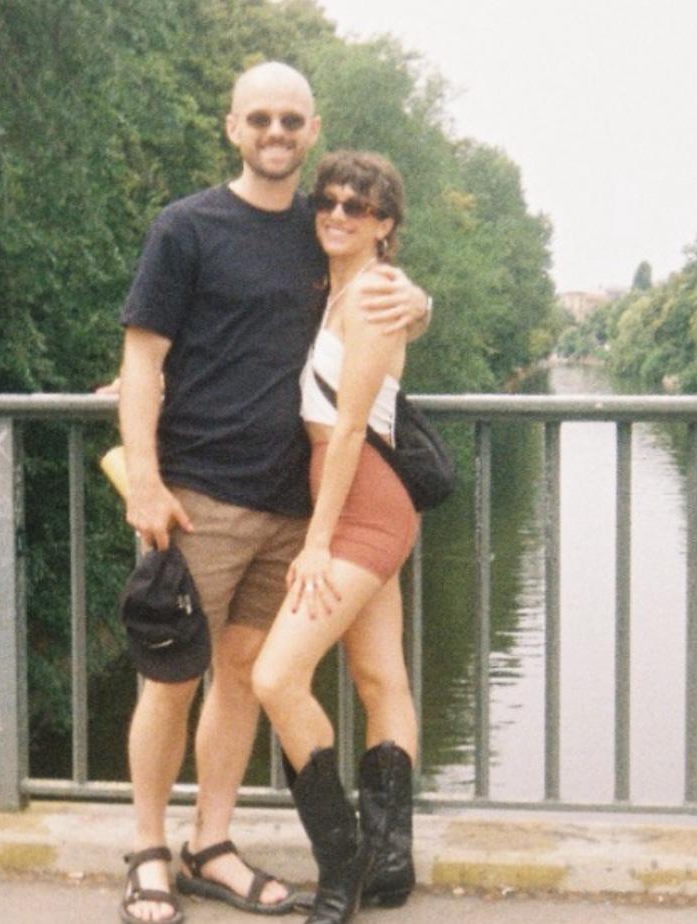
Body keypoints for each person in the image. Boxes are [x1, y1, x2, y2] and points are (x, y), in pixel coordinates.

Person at [116, 62, 430, 924]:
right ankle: (147, 853)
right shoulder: (186, 227)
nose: (276, 132)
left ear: (312, 129)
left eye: (292, 119)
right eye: (260, 118)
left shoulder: (320, 229)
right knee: (169, 681)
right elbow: (142, 357)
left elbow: (374, 291)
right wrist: (143, 478)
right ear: (233, 127)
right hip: (199, 497)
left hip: (295, 504)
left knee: (243, 679)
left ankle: (211, 846)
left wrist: (418, 300)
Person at [251, 151, 419, 924]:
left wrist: (317, 544)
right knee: (381, 679)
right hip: (349, 495)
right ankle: (389, 866)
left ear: (385, 224)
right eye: (329, 200)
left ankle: (343, 861)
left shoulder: (375, 294)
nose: (339, 214)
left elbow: (349, 429)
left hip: (362, 505)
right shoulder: (335, 290)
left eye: (359, 206)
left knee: (275, 676)